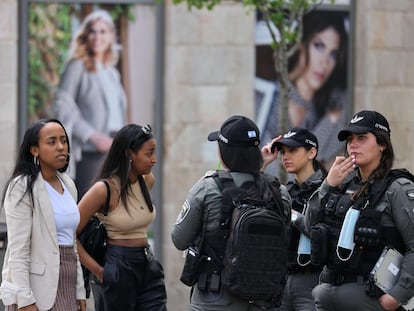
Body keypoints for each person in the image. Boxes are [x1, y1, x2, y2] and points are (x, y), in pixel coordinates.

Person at [171, 115, 291, 310]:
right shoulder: (279, 192)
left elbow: (179, 239)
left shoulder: (208, 188)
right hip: (263, 300)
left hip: (214, 299)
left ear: (222, 152)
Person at [304, 110, 414, 311]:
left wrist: (396, 296)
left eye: (362, 138)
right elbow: (308, 225)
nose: (353, 144)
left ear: (382, 144)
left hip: (369, 297)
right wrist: (328, 184)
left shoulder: (397, 188)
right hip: (327, 294)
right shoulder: (341, 183)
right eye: (350, 139)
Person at [76, 123, 167, 311]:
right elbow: (69, 233)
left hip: (148, 264)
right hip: (118, 264)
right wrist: (99, 271)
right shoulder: (104, 189)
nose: (154, 159)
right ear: (129, 155)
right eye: (148, 153)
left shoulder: (146, 180)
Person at [0, 119, 86, 311]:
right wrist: (25, 298)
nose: (61, 147)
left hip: (67, 281)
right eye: (52, 142)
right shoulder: (22, 186)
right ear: (34, 150)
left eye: (64, 141)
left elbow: (72, 244)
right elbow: (18, 249)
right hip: (37, 286)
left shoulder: (68, 184)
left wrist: (79, 290)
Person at [256, 10, 348, 171]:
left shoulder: (335, 106)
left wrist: (331, 120)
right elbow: (281, 170)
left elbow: (315, 167)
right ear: (301, 46)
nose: (325, 62)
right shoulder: (269, 98)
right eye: (319, 46)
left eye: (333, 54)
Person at [53, 9, 127, 198]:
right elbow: (62, 105)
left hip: (113, 150)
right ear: (85, 36)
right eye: (92, 31)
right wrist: (92, 136)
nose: (97, 37)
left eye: (103, 31)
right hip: (90, 153)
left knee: (109, 211)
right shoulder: (78, 65)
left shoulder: (111, 72)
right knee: (88, 211)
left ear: (111, 36)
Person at [261, 127, 326, 311]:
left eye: (293, 150)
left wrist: (294, 216)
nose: (285, 157)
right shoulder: (285, 191)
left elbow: (323, 233)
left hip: (313, 280)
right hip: (281, 279)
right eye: (283, 152)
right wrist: (262, 163)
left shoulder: (328, 188)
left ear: (311, 152)